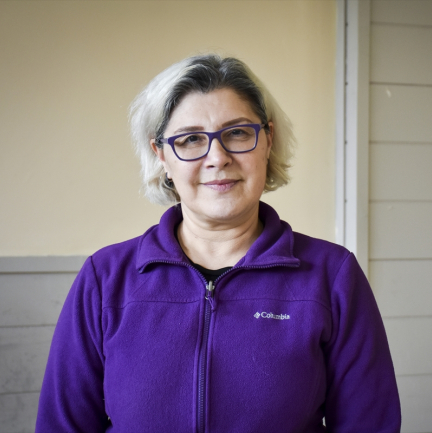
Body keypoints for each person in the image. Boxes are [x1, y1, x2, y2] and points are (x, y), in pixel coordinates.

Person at [36, 54, 401, 432]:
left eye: (238, 133)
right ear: (162, 156)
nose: (217, 158)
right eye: (191, 139)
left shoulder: (333, 275)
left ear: (268, 140)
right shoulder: (104, 278)